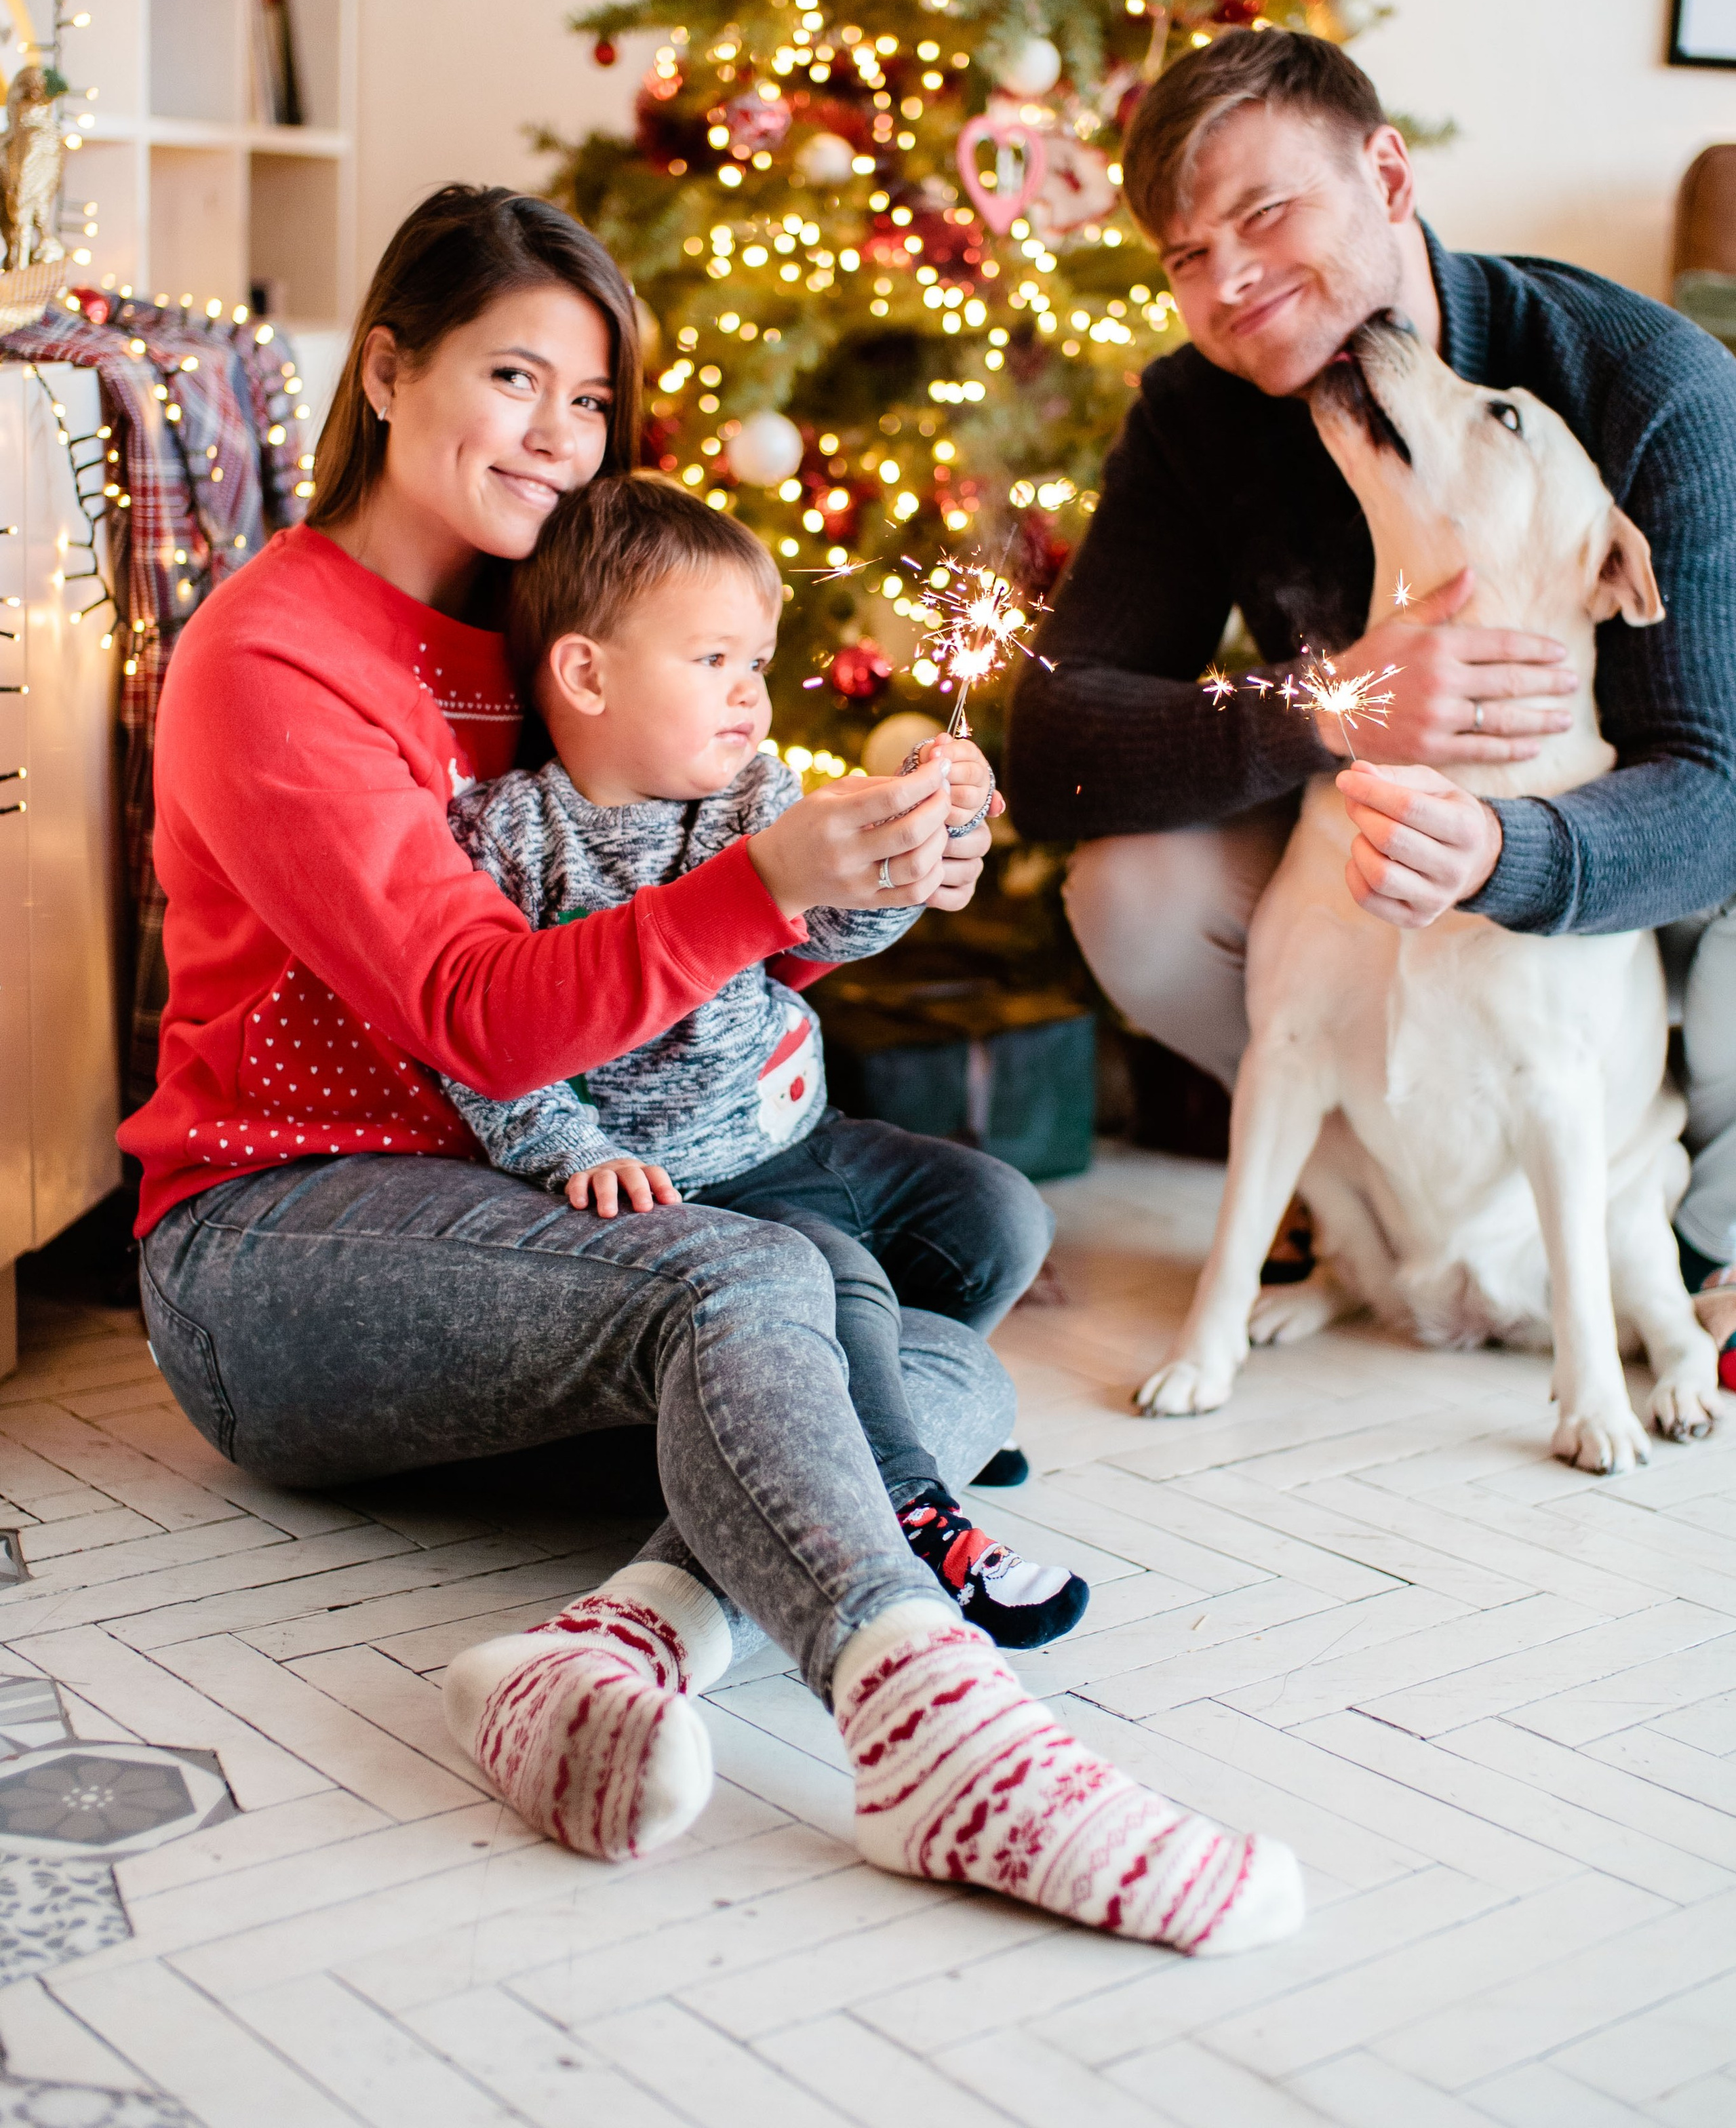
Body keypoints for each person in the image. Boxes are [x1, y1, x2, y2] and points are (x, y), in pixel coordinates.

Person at [121, 183, 1301, 1955]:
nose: (558, 437)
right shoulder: (273, 658)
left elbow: (694, 890)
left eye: (591, 401)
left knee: (937, 1276)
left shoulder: (564, 618)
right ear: (385, 367)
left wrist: (871, 863)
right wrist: (770, 885)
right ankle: (929, 1733)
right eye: (514, 378)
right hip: (281, 1240)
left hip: (526, 1197)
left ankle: (635, 1634)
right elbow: (481, 1015)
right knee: (757, 1280)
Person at [1007, 31, 1736, 1309]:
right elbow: (1057, 745)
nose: (1228, 278)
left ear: (1389, 176)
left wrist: (1509, 854)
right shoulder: (1199, 416)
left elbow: (1718, 789)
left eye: (1265, 211)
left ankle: (1704, 1249)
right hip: (1369, 863)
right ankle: (1354, 1188)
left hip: (1636, 882)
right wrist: (1331, 707)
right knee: (1131, 890)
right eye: (1187, 255)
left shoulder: (1651, 387)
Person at [433, 468, 1087, 1649]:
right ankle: (912, 1505)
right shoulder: (511, 835)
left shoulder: (751, 797)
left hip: (800, 1133)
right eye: (714, 662)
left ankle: (883, 1413)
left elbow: (830, 931)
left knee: (999, 1217)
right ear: (585, 674)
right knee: (833, 1276)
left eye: (758, 662)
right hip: (689, 1189)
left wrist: (909, 851)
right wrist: (570, 1148)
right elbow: (484, 1040)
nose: (752, 695)